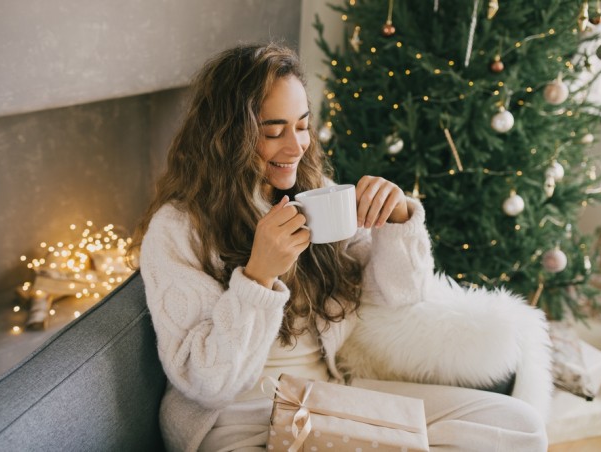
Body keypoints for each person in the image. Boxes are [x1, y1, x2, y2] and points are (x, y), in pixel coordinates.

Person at [132, 43, 548, 451]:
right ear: (226, 136)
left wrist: (397, 221)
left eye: (301, 125)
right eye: (274, 131)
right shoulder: (178, 229)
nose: (297, 147)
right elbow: (209, 384)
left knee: (517, 425)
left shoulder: (317, 195)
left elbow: (403, 298)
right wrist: (258, 277)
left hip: (331, 398)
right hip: (240, 422)